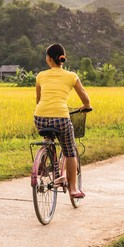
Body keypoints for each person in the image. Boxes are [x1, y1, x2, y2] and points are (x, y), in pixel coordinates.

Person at [34, 43, 92, 199]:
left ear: (48, 59)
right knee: (70, 150)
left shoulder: (40, 76)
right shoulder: (71, 76)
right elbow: (85, 98)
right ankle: (73, 188)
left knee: (49, 135)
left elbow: (38, 100)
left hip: (39, 117)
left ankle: (45, 157)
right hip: (61, 117)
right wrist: (86, 106)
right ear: (62, 59)